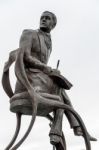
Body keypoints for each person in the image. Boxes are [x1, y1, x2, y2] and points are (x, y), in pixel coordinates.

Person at [3, 11, 96, 148]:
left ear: (53, 24)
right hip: (28, 81)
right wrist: (47, 69)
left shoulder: (49, 41)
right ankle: (63, 131)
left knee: (60, 88)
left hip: (40, 81)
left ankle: (70, 130)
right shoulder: (29, 33)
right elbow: (26, 57)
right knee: (59, 92)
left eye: (47, 19)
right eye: (42, 18)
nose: (44, 20)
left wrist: (51, 72)